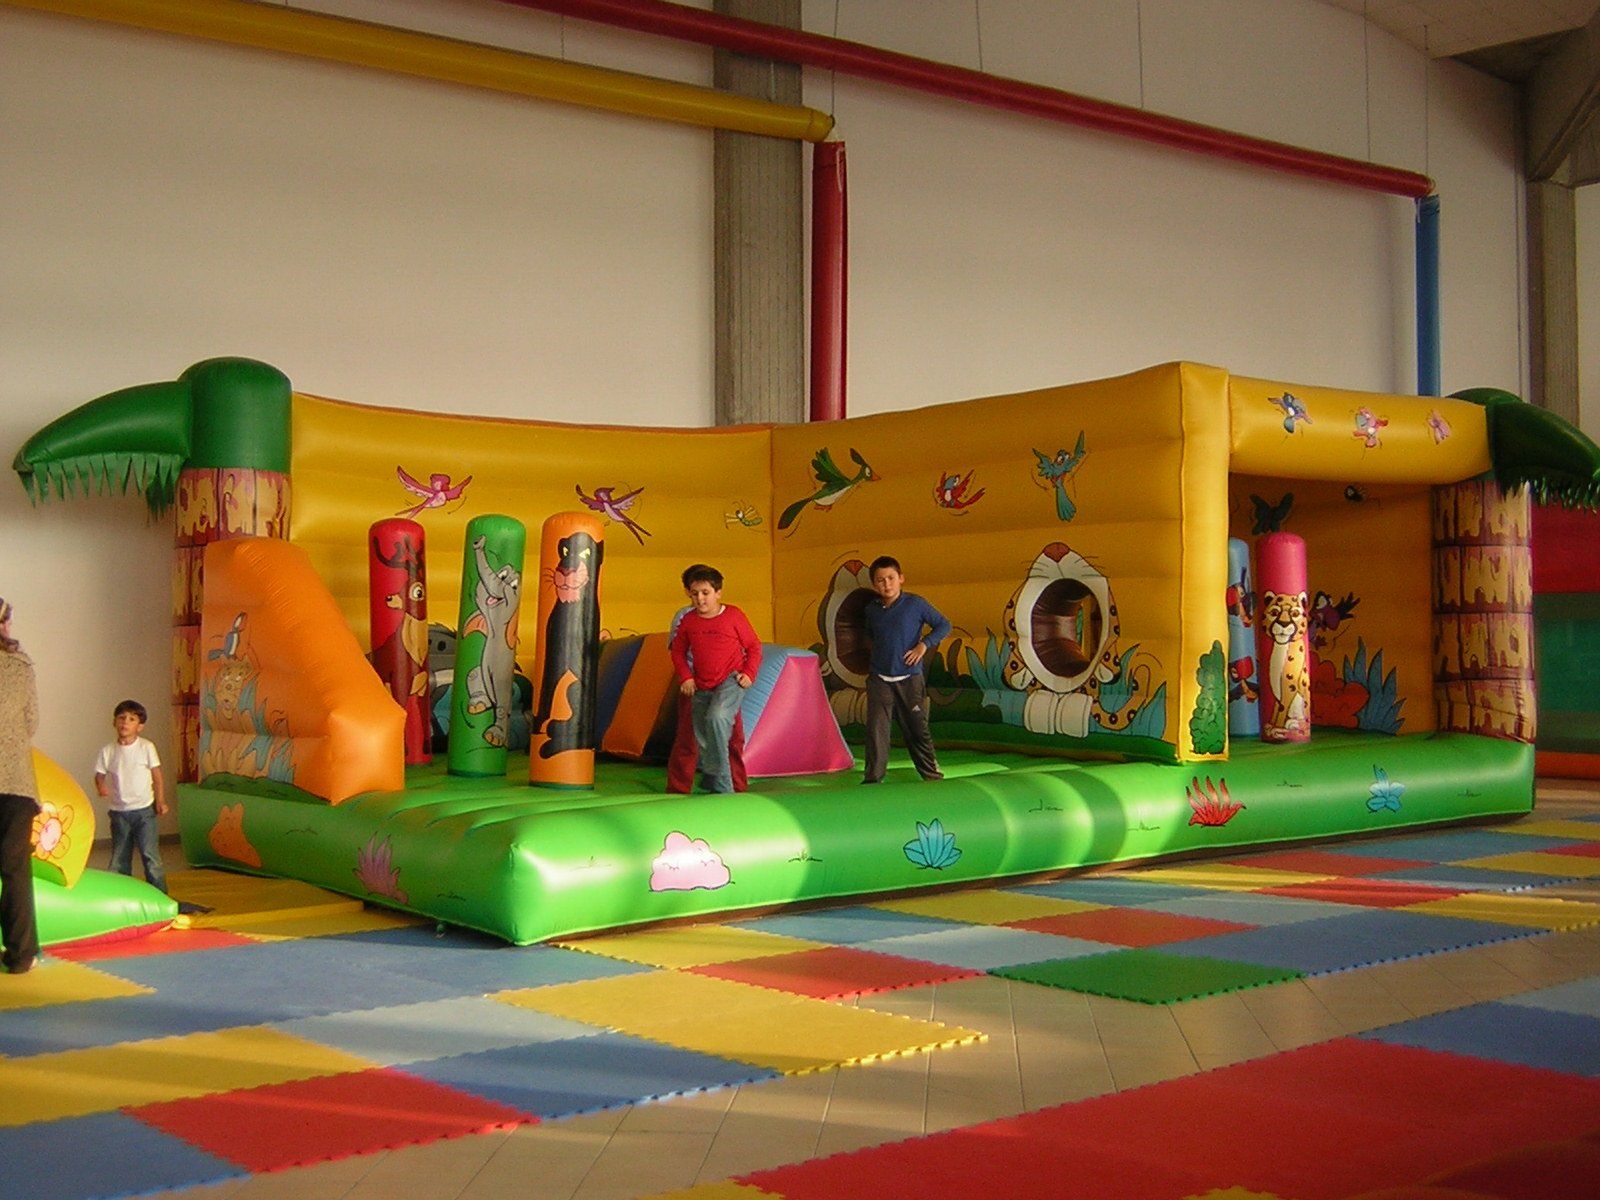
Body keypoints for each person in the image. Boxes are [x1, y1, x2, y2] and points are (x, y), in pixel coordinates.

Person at [668, 564, 761, 794]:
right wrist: (686, 677)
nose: (700, 598)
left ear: (717, 592)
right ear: (688, 593)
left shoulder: (732, 615)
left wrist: (749, 673)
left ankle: (728, 785)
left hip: (729, 681)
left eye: (705, 593)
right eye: (694, 593)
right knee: (695, 736)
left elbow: (754, 646)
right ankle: (684, 787)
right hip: (698, 683)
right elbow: (677, 650)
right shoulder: (686, 618)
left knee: (722, 723)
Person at [862, 556, 950, 784]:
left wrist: (924, 645)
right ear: (874, 585)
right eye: (880, 581)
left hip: (909, 678)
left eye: (891, 578)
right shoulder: (871, 611)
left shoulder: (915, 604)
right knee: (876, 730)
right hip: (879, 679)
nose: (886, 584)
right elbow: (871, 636)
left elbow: (944, 625)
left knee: (916, 728)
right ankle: (873, 778)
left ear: (901, 578)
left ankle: (931, 775)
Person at [0, 597, 42, 974]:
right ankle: (20, 955)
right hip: (15, 782)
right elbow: (31, 723)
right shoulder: (20, 665)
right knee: (15, 871)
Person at [94, 699, 168, 894]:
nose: (125, 723)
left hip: (144, 810)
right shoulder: (108, 751)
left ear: (140, 726)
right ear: (114, 722)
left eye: (132, 719)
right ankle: (121, 895)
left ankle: (159, 895)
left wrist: (160, 801)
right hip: (119, 812)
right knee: (119, 857)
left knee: (150, 856)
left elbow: (157, 776)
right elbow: (99, 775)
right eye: (121, 718)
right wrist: (101, 787)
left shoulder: (146, 747)